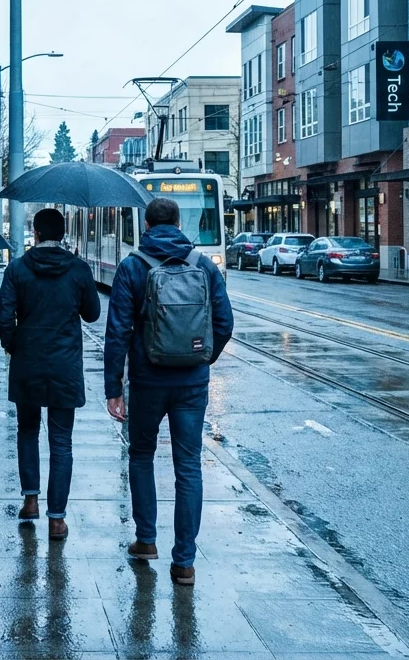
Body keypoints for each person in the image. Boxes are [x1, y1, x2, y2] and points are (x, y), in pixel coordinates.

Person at [103, 197, 233, 587]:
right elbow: (224, 322)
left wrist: (115, 387)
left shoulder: (133, 266)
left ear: (146, 225)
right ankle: (185, 562)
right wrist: (201, 360)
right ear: (179, 222)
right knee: (188, 467)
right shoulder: (204, 266)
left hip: (147, 381)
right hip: (191, 384)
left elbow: (117, 332)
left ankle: (146, 540)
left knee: (141, 457)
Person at [0, 209, 100, 540]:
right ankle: (57, 519)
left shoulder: (18, 268)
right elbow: (93, 314)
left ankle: (30, 500)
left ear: (36, 233)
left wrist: (15, 346)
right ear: (63, 233)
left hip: (28, 363)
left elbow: (2, 317)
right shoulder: (78, 269)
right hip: (65, 366)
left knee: (27, 431)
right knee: (61, 440)